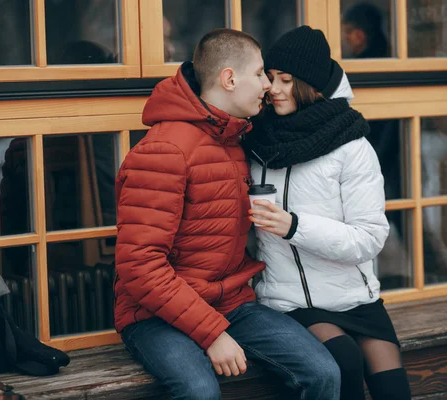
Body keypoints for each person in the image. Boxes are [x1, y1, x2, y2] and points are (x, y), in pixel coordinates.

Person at [113, 28, 341, 400]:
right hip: (154, 315)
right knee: (199, 391)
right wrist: (213, 334)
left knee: (323, 372)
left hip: (230, 302)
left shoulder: (232, 138)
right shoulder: (164, 151)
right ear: (229, 79)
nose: (268, 85)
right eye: (260, 74)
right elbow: (140, 266)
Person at [245, 26, 412, 400]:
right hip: (292, 301)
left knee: (393, 389)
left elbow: (369, 237)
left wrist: (295, 227)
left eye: (286, 80)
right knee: (344, 362)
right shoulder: (256, 142)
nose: (274, 88)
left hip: (356, 297)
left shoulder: (352, 147)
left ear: (311, 86)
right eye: (270, 78)